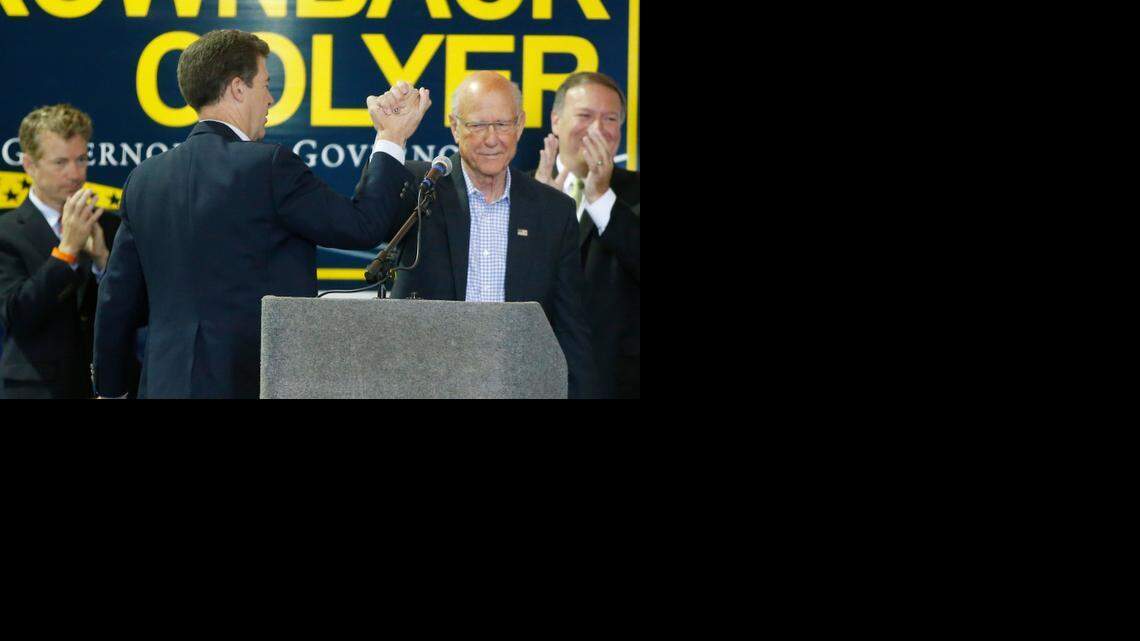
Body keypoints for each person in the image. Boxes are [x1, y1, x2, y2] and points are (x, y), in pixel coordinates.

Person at [92, 29, 431, 398]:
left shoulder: (144, 179)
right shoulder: (268, 166)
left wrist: (110, 388)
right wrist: (391, 137)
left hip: (164, 384)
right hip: (253, 382)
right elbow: (364, 226)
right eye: (266, 85)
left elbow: (116, 300)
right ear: (238, 88)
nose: (270, 99)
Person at [365, 71, 597, 398]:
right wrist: (391, 136)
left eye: (503, 124)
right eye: (477, 125)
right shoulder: (419, 187)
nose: (492, 139)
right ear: (454, 126)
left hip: (519, 388)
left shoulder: (553, 211)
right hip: (426, 385)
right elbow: (368, 220)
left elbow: (571, 329)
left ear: (520, 125)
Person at [0, 104, 138, 399]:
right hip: (35, 390)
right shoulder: (6, 233)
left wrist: (103, 262)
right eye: (61, 162)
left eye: (81, 159)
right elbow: (17, 315)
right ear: (29, 165)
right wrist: (66, 252)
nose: (75, 174)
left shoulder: (112, 226)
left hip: (104, 388)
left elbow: (135, 312)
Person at [534, 72, 640, 399]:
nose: (597, 128)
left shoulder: (635, 194)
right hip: (533, 374)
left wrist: (600, 197)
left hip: (616, 382)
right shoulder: (524, 193)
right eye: (585, 116)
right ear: (556, 121)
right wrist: (540, 215)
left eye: (610, 118)